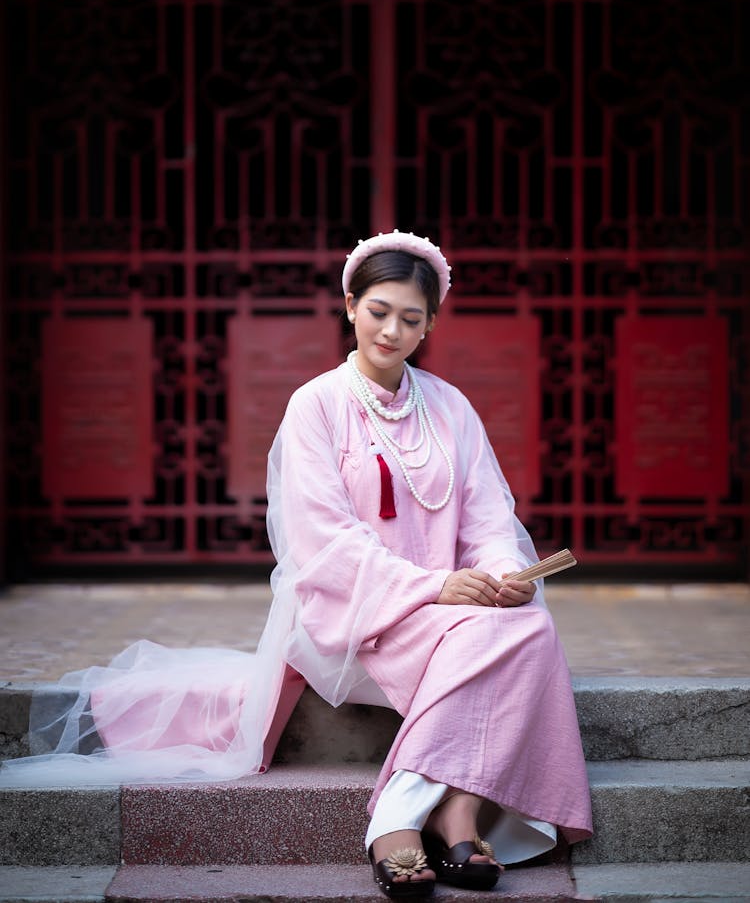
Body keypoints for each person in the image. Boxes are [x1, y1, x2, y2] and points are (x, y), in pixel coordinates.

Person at [0, 230, 592, 899]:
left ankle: (422, 817)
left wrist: (497, 573)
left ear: (429, 325)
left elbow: (487, 517)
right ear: (348, 305)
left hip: (451, 616)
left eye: (411, 318)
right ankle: (438, 817)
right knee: (511, 639)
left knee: (529, 623)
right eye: (379, 310)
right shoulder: (316, 404)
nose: (392, 330)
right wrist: (435, 585)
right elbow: (324, 545)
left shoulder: (450, 407)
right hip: (353, 618)